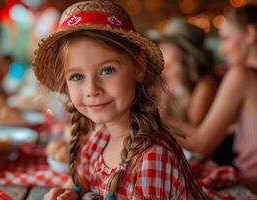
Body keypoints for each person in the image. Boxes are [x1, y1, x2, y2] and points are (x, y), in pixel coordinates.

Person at [33, 1, 208, 199]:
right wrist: (69, 192)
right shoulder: (100, 137)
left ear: (139, 67)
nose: (92, 89)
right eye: (77, 77)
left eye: (107, 70)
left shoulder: (151, 159)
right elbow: (83, 178)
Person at [166, 5, 257, 179]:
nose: (221, 49)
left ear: (250, 34)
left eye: (225, 38)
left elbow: (201, 143)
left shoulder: (241, 74)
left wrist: (149, 116)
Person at [157, 19, 218, 125]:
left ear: (182, 53)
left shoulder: (205, 83)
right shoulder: (159, 80)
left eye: (166, 48)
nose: (159, 50)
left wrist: (161, 118)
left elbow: (194, 128)